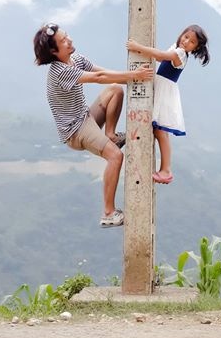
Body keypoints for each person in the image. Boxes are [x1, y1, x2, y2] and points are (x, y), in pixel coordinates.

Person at [33, 22, 154, 227]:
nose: (69, 40)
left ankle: (111, 135)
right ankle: (108, 213)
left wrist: (138, 80)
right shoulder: (59, 71)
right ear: (53, 51)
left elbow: (105, 73)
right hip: (76, 131)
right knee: (115, 156)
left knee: (115, 90)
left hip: (85, 117)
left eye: (67, 35)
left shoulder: (76, 59)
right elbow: (98, 78)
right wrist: (135, 76)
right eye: (63, 40)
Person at [127, 24, 210, 185]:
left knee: (161, 133)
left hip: (165, 94)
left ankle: (166, 170)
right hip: (162, 90)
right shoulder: (177, 48)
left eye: (192, 42)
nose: (186, 42)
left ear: (195, 48)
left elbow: (160, 55)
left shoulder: (181, 54)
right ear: (181, 34)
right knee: (159, 132)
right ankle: (165, 170)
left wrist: (138, 47)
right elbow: (160, 58)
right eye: (186, 37)